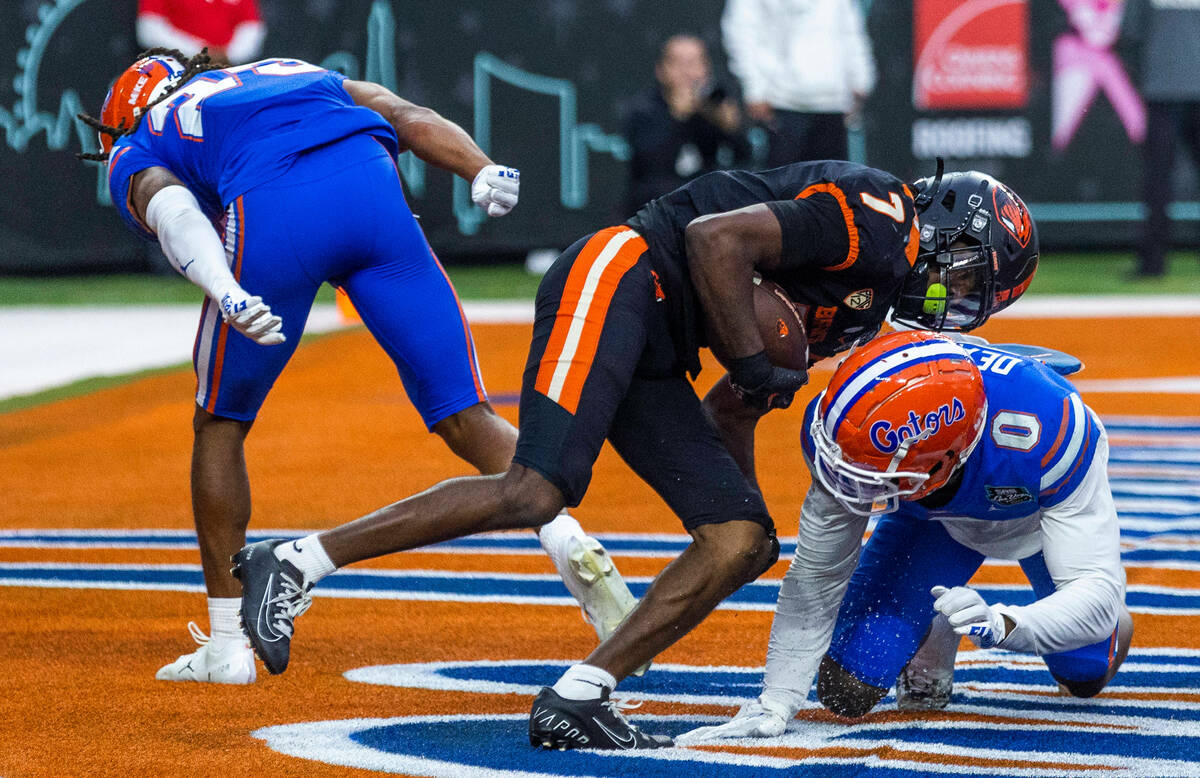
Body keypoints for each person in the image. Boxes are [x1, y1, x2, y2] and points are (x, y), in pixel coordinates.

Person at [230, 157, 1040, 747]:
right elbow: (713, 239)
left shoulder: (867, 306)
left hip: (668, 337)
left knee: (740, 540)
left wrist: (740, 491)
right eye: (973, 273)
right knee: (536, 489)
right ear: (945, 226)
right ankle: (298, 559)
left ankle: (582, 693)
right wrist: (760, 364)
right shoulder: (876, 214)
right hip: (621, 273)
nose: (962, 297)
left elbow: (735, 407)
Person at [80, 49, 638, 685]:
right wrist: (479, 169)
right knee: (466, 412)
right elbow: (404, 113)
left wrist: (226, 288)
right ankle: (570, 544)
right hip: (375, 196)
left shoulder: (145, 135)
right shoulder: (288, 70)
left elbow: (171, 209)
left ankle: (227, 646)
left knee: (220, 423)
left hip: (274, 214)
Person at [681, 330, 1132, 743]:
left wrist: (1004, 625)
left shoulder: (1048, 432)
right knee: (846, 691)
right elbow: (817, 576)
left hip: (1035, 526)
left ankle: (1113, 635)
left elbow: (1095, 595)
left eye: (877, 475)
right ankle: (936, 626)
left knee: (1084, 675)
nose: (851, 488)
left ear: (945, 457)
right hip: (930, 521)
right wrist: (777, 699)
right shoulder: (850, 430)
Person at [721, 0, 875, 167]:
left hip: (832, 103)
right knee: (782, 187)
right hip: (781, 103)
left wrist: (860, 79)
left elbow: (849, 30)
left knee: (832, 187)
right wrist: (754, 89)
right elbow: (741, 31)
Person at [623, 35, 750, 216]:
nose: (688, 73)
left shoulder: (714, 104)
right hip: (654, 209)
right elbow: (649, 167)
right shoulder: (644, 110)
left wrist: (729, 127)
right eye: (679, 63)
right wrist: (677, 117)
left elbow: (745, 156)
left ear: (707, 68)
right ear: (661, 70)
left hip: (707, 206)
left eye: (695, 63)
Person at [1125, 0, 1200, 277]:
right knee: (1156, 182)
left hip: (1161, 89)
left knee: (1157, 181)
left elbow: (1131, 34)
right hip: (1162, 91)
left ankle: (1152, 264)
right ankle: (1152, 262)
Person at [137, 0, 265, 65]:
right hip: (175, 70)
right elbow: (150, 29)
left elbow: (251, 28)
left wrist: (230, 54)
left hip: (228, 71)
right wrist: (198, 51)